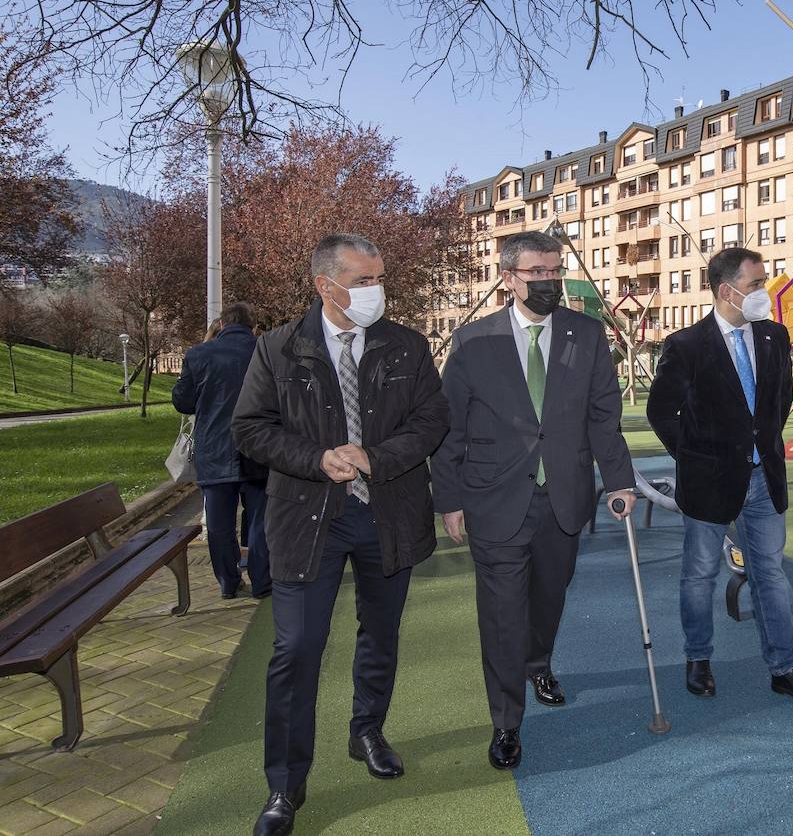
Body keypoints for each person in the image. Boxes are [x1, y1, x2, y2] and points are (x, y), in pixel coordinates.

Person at [232, 233, 449, 836]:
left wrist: (375, 456)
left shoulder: (407, 345)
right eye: (362, 282)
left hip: (387, 512)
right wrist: (316, 457)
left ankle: (367, 732)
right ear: (326, 286)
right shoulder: (278, 348)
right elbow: (250, 429)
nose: (376, 292)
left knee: (381, 633)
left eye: (379, 279)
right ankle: (284, 783)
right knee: (296, 647)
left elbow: (433, 418)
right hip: (307, 517)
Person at [431, 230, 636, 772]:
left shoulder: (586, 335)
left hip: (564, 499)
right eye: (537, 273)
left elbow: (603, 416)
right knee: (501, 613)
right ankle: (506, 722)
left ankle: (538, 661)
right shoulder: (473, 342)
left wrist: (620, 481)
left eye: (555, 271)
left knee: (549, 596)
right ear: (509, 278)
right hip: (494, 499)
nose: (549, 282)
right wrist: (449, 499)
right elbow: (449, 426)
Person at [647, 247, 793, 707]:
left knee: (769, 574)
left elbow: (780, 399)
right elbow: (660, 412)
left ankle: (784, 669)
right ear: (727, 290)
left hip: (763, 479)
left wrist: (761, 441)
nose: (763, 293)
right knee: (700, 575)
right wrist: (695, 458)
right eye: (755, 285)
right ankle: (698, 659)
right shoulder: (687, 345)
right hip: (709, 482)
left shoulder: (773, 337)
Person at [172, 301, 269, 599]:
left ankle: (229, 581)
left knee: (219, 524)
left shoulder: (199, 354)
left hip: (214, 449)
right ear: (253, 326)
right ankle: (262, 581)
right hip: (260, 448)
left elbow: (183, 402)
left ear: (223, 324)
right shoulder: (267, 350)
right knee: (260, 519)